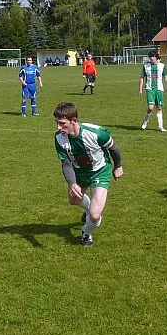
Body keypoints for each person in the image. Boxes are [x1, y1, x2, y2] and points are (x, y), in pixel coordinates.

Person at [53, 102, 123, 246]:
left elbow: (114, 148)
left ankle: (87, 232)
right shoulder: (59, 138)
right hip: (79, 172)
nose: (58, 128)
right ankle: (89, 208)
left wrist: (118, 166)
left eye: (62, 123)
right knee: (73, 199)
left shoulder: (96, 133)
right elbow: (66, 164)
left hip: (100, 171)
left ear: (74, 121)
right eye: (57, 123)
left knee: (95, 215)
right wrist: (72, 184)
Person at [139, 51, 167, 132]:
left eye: (153, 56)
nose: (151, 58)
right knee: (150, 107)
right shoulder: (146, 66)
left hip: (159, 89)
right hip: (150, 89)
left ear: (156, 57)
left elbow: (165, 77)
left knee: (159, 107)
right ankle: (145, 122)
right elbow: (142, 78)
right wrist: (140, 89)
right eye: (150, 56)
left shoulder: (162, 66)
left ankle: (160, 126)